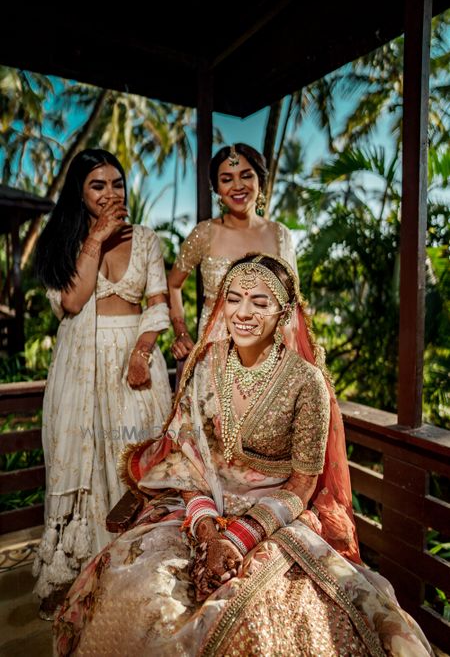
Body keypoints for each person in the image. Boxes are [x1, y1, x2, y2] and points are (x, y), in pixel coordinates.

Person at [54, 254, 431, 656]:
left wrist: (238, 538)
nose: (243, 313)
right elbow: (187, 462)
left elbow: (303, 484)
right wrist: (206, 530)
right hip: (199, 512)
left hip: (273, 519)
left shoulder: (308, 383)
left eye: (260, 302)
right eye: (233, 299)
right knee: (137, 590)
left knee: (263, 620)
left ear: (284, 312)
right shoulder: (204, 365)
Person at [32, 149, 172, 612]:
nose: (111, 193)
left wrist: (141, 354)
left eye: (117, 183)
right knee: (86, 464)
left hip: (135, 359)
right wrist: (95, 238)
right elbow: (72, 302)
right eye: (98, 185)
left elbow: (157, 304)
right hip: (81, 364)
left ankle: (133, 575)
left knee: (132, 458)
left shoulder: (147, 238)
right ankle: (82, 576)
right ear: (80, 192)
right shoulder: (65, 240)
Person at [169, 143, 297, 360]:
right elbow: (173, 284)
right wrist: (181, 332)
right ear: (217, 189)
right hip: (215, 348)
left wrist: (292, 351)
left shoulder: (280, 234)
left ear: (260, 181)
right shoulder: (204, 233)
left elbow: (294, 302)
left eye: (246, 176)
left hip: (269, 349)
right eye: (227, 179)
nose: (238, 186)